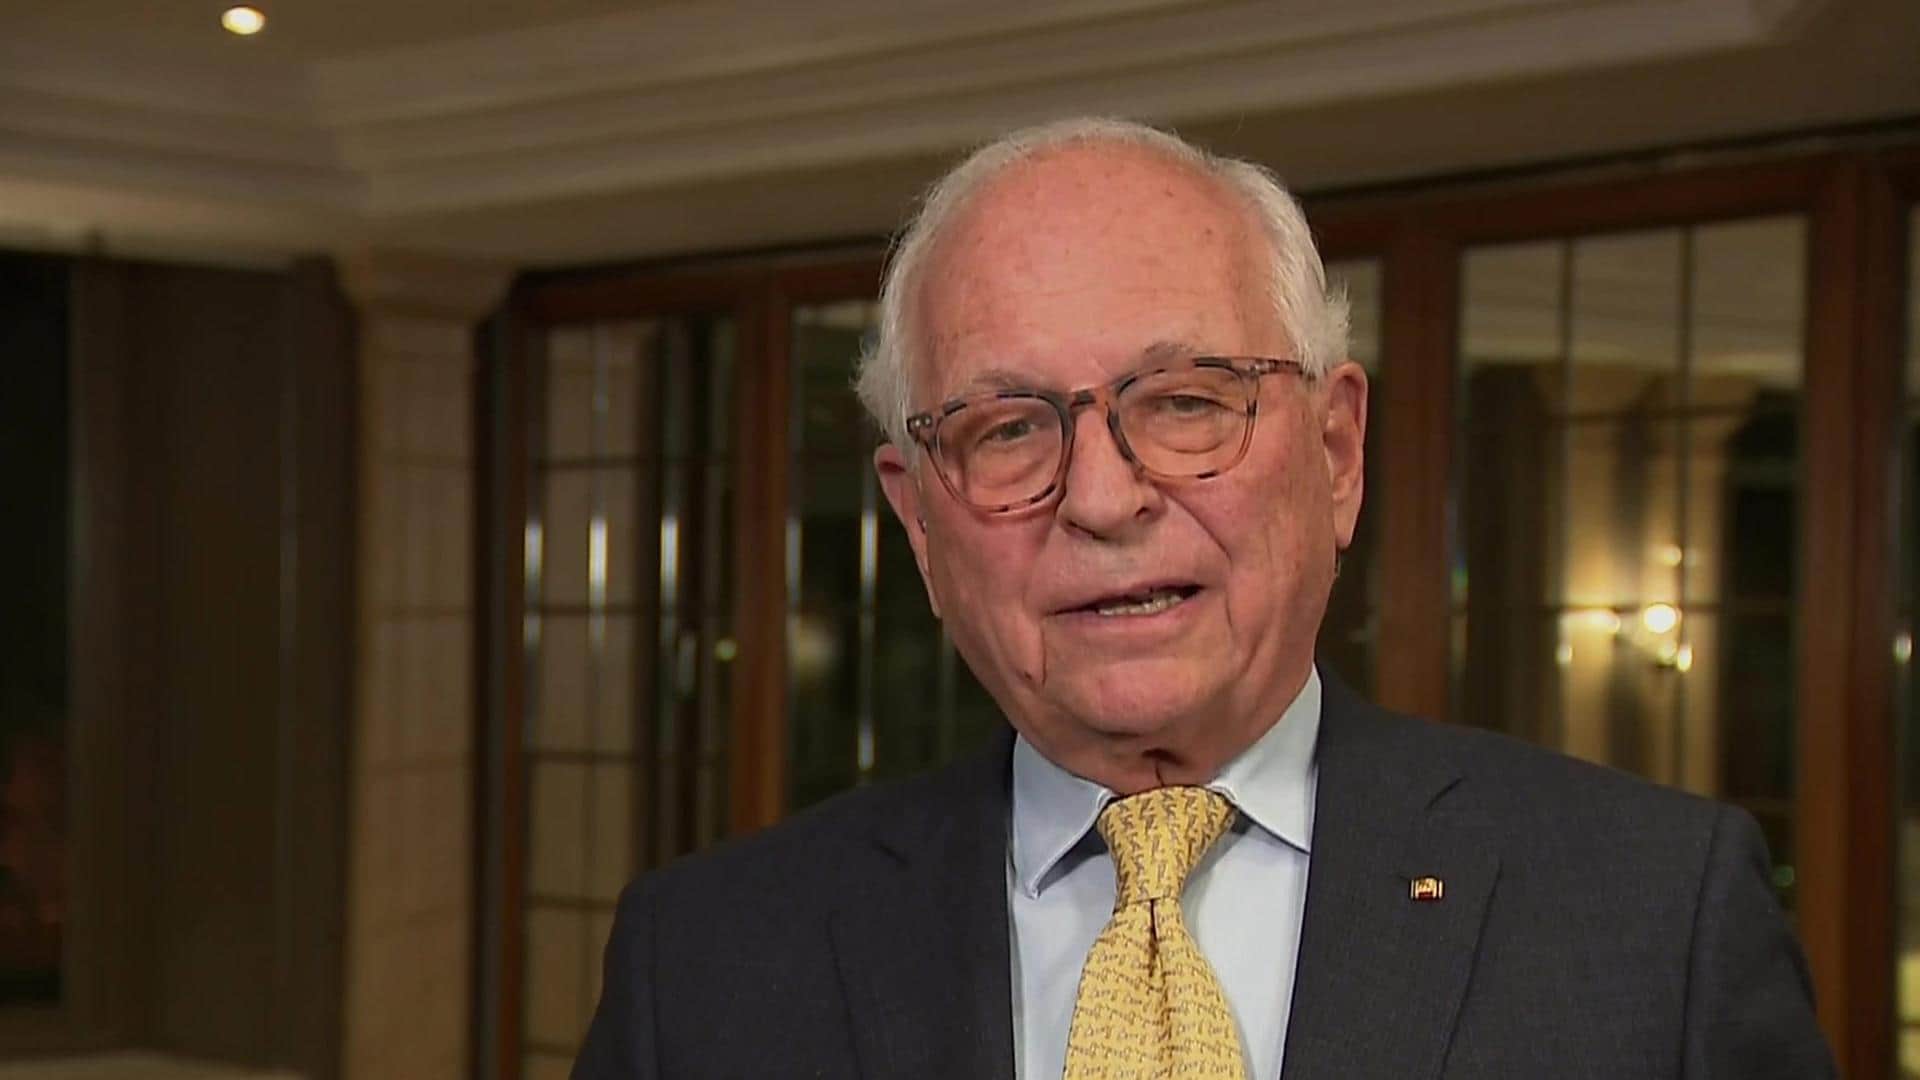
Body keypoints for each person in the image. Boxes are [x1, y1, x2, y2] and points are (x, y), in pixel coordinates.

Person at [572, 117, 1833, 1079]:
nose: (1102, 497)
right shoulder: (707, 965)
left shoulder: (1657, 918)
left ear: (1336, 455)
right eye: (1008, 429)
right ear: (916, 519)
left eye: (1184, 404)